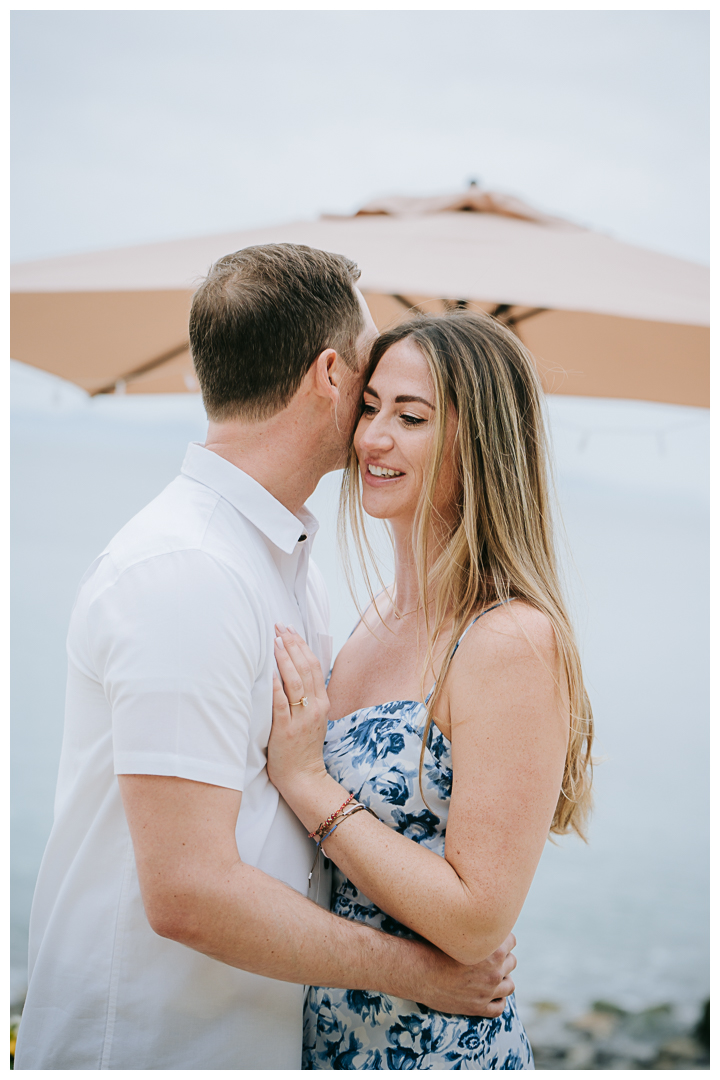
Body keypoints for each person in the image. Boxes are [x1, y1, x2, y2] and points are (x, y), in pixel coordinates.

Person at [14, 246, 518, 1071]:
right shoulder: (186, 571)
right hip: (150, 1049)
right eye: (367, 368)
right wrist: (421, 973)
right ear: (330, 374)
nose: (374, 405)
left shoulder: (286, 567)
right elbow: (188, 893)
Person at [267, 310, 595, 1069]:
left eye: (410, 416)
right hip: (332, 1035)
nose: (372, 438)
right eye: (371, 407)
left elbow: (478, 922)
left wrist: (307, 783)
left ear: (477, 444)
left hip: (435, 1049)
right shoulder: (377, 615)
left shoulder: (509, 641)